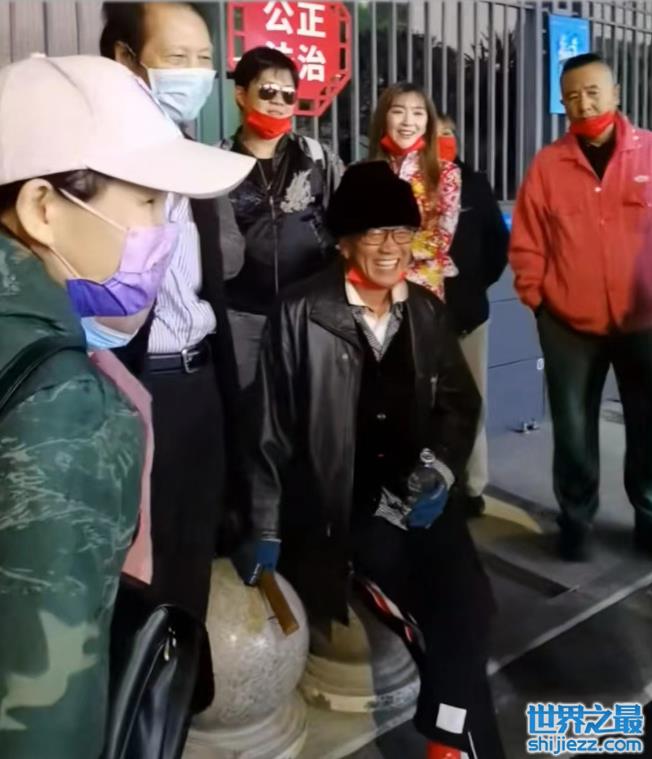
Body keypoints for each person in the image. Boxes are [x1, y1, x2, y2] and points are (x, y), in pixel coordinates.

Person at [0, 54, 252, 758]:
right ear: (43, 208)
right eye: (146, 203)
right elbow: (43, 708)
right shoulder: (61, 404)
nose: (163, 231)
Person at [236, 162, 504, 759]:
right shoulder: (300, 312)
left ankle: (449, 738)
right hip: (342, 503)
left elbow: (459, 405)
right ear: (344, 241)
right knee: (424, 612)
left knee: (471, 604)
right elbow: (269, 428)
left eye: (401, 232)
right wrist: (265, 526)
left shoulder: (426, 311)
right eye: (374, 233)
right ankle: (460, 744)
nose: (390, 247)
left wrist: (439, 470)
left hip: (418, 491)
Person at [100, 2, 253, 617]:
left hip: (200, 384)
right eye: (177, 57)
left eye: (205, 59)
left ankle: (182, 668)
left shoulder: (197, 162)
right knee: (137, 565)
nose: (194, 73)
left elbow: (220, 269)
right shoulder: (95, 167)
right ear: (126, 60)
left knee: (193, 551)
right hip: (132, 389)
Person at [509, 52, 652, 560]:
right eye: (571, 95)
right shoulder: (549, 165)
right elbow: (527, 240)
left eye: (592, 92)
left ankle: (649, 516)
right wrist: (538, 300)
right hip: (568, 324)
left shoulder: (648, 154)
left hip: (645, 322)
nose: (583, 103)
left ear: (616, 94)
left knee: (648, 427)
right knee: (572, 432)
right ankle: (576, 520)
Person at [222, 46, 344, 389]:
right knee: (247, 405)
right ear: (241, 94)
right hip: (241, 315)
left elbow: (345, 223)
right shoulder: (216, 162)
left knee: (307, 402)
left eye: (288, 94)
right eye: (267, 91)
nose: (278, 101)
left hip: (308, 312)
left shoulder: (317, 158)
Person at [437, 114, 509, 517]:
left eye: (449, 133)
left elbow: (499, 244)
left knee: (472, 401)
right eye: (435, 134)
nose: (444, 140)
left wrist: (475, 285)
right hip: (425, 319)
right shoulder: (415, 183)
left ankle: (472, 485)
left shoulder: (475, 184)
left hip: (469, 316)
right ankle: (435, 485)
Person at [368, 82, 461, 302]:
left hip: (421, 291)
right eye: (398, 111)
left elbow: (441, 238)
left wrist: (385, 248)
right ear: (384, 118)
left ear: (428, 122)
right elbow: (351, 234)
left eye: (418, 113)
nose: (408, 121)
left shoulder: (446, 174)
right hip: (370, 288)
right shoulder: (360, 172)